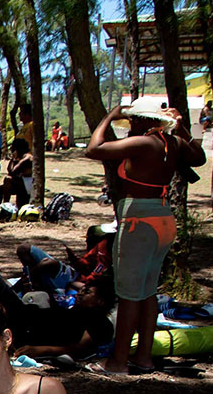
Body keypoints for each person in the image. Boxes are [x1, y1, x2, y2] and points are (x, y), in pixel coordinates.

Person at [83, 97, 205, 375]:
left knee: (128, 294)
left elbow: (94, 149)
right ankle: (144, 357)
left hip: (139, 219)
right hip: (163, 217)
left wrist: (109, 117)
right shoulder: (171, 143)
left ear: (144, 120)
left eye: (132, 120)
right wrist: (183, 128)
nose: (130, 126)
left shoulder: (144, 143)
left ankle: (118, 362)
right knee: (148, 292)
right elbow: (199, 157)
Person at [5, 137, 33, 208]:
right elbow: (9, 170)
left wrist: (13, 159)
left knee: (8, 180)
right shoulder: (21, 158)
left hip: (28, 183)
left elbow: (13, 171)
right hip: (23, 182)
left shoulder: (27, 158)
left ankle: (5, 204)